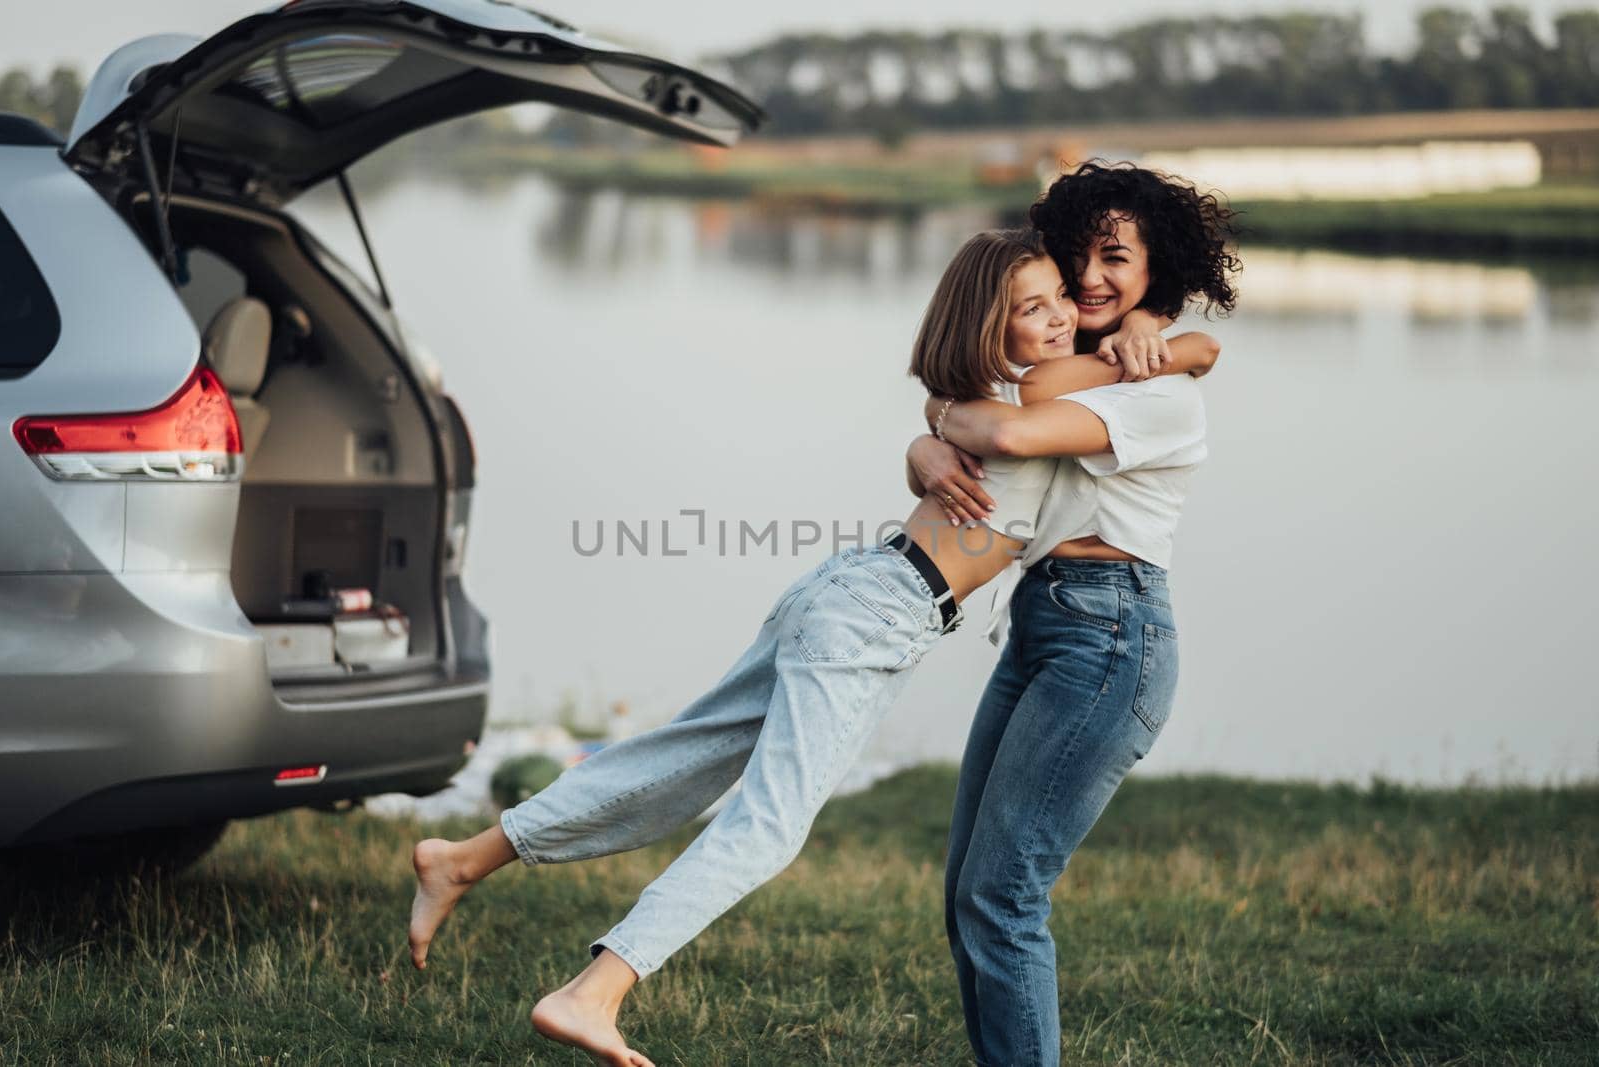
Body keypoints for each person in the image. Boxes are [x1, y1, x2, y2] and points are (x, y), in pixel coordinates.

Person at [404, 227, 1220, 1067]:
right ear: (990, 326)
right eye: (1033, 306)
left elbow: (992, 412)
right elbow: (1044, 406)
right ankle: (595, 990)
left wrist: (943, 423)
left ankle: (465, 857)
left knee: (683, 758)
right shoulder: (1036, 388)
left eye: (1064, 299)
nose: (1058, 314)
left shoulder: (1010, 387)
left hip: (854, 588)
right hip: (880, 612)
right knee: (769, 823)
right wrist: (1180, 346)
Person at [907, 161, 1240, 1067]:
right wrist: (925, 442)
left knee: (1004, 893)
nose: (1089, 278)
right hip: (1045, 627)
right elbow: (997, 413)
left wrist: (940, 417)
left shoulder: (1163, 391)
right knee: (966, 894)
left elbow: (1012, 428)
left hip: (1112, 633)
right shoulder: (1083, 369)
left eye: (1116, 258)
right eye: (1076, 256)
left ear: (1156, 268)